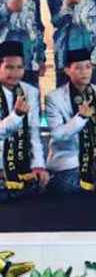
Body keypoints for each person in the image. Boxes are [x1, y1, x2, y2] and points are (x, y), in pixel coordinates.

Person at [46, 49, 96, 193]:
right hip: (69, 162)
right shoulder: (54, 98)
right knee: (70, 185)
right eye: (78, 68)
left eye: (88, 67)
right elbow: (57, 134)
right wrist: (80, 118)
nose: (85, 72)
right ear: (67, 70)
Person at [0, 41, 48, 201]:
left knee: (43, 183)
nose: (15, 73)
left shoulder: (30, 92)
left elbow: (34, 133)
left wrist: (38, 165)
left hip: (21, 162)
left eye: (19, 67)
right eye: (9, 67)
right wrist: (17, 115)